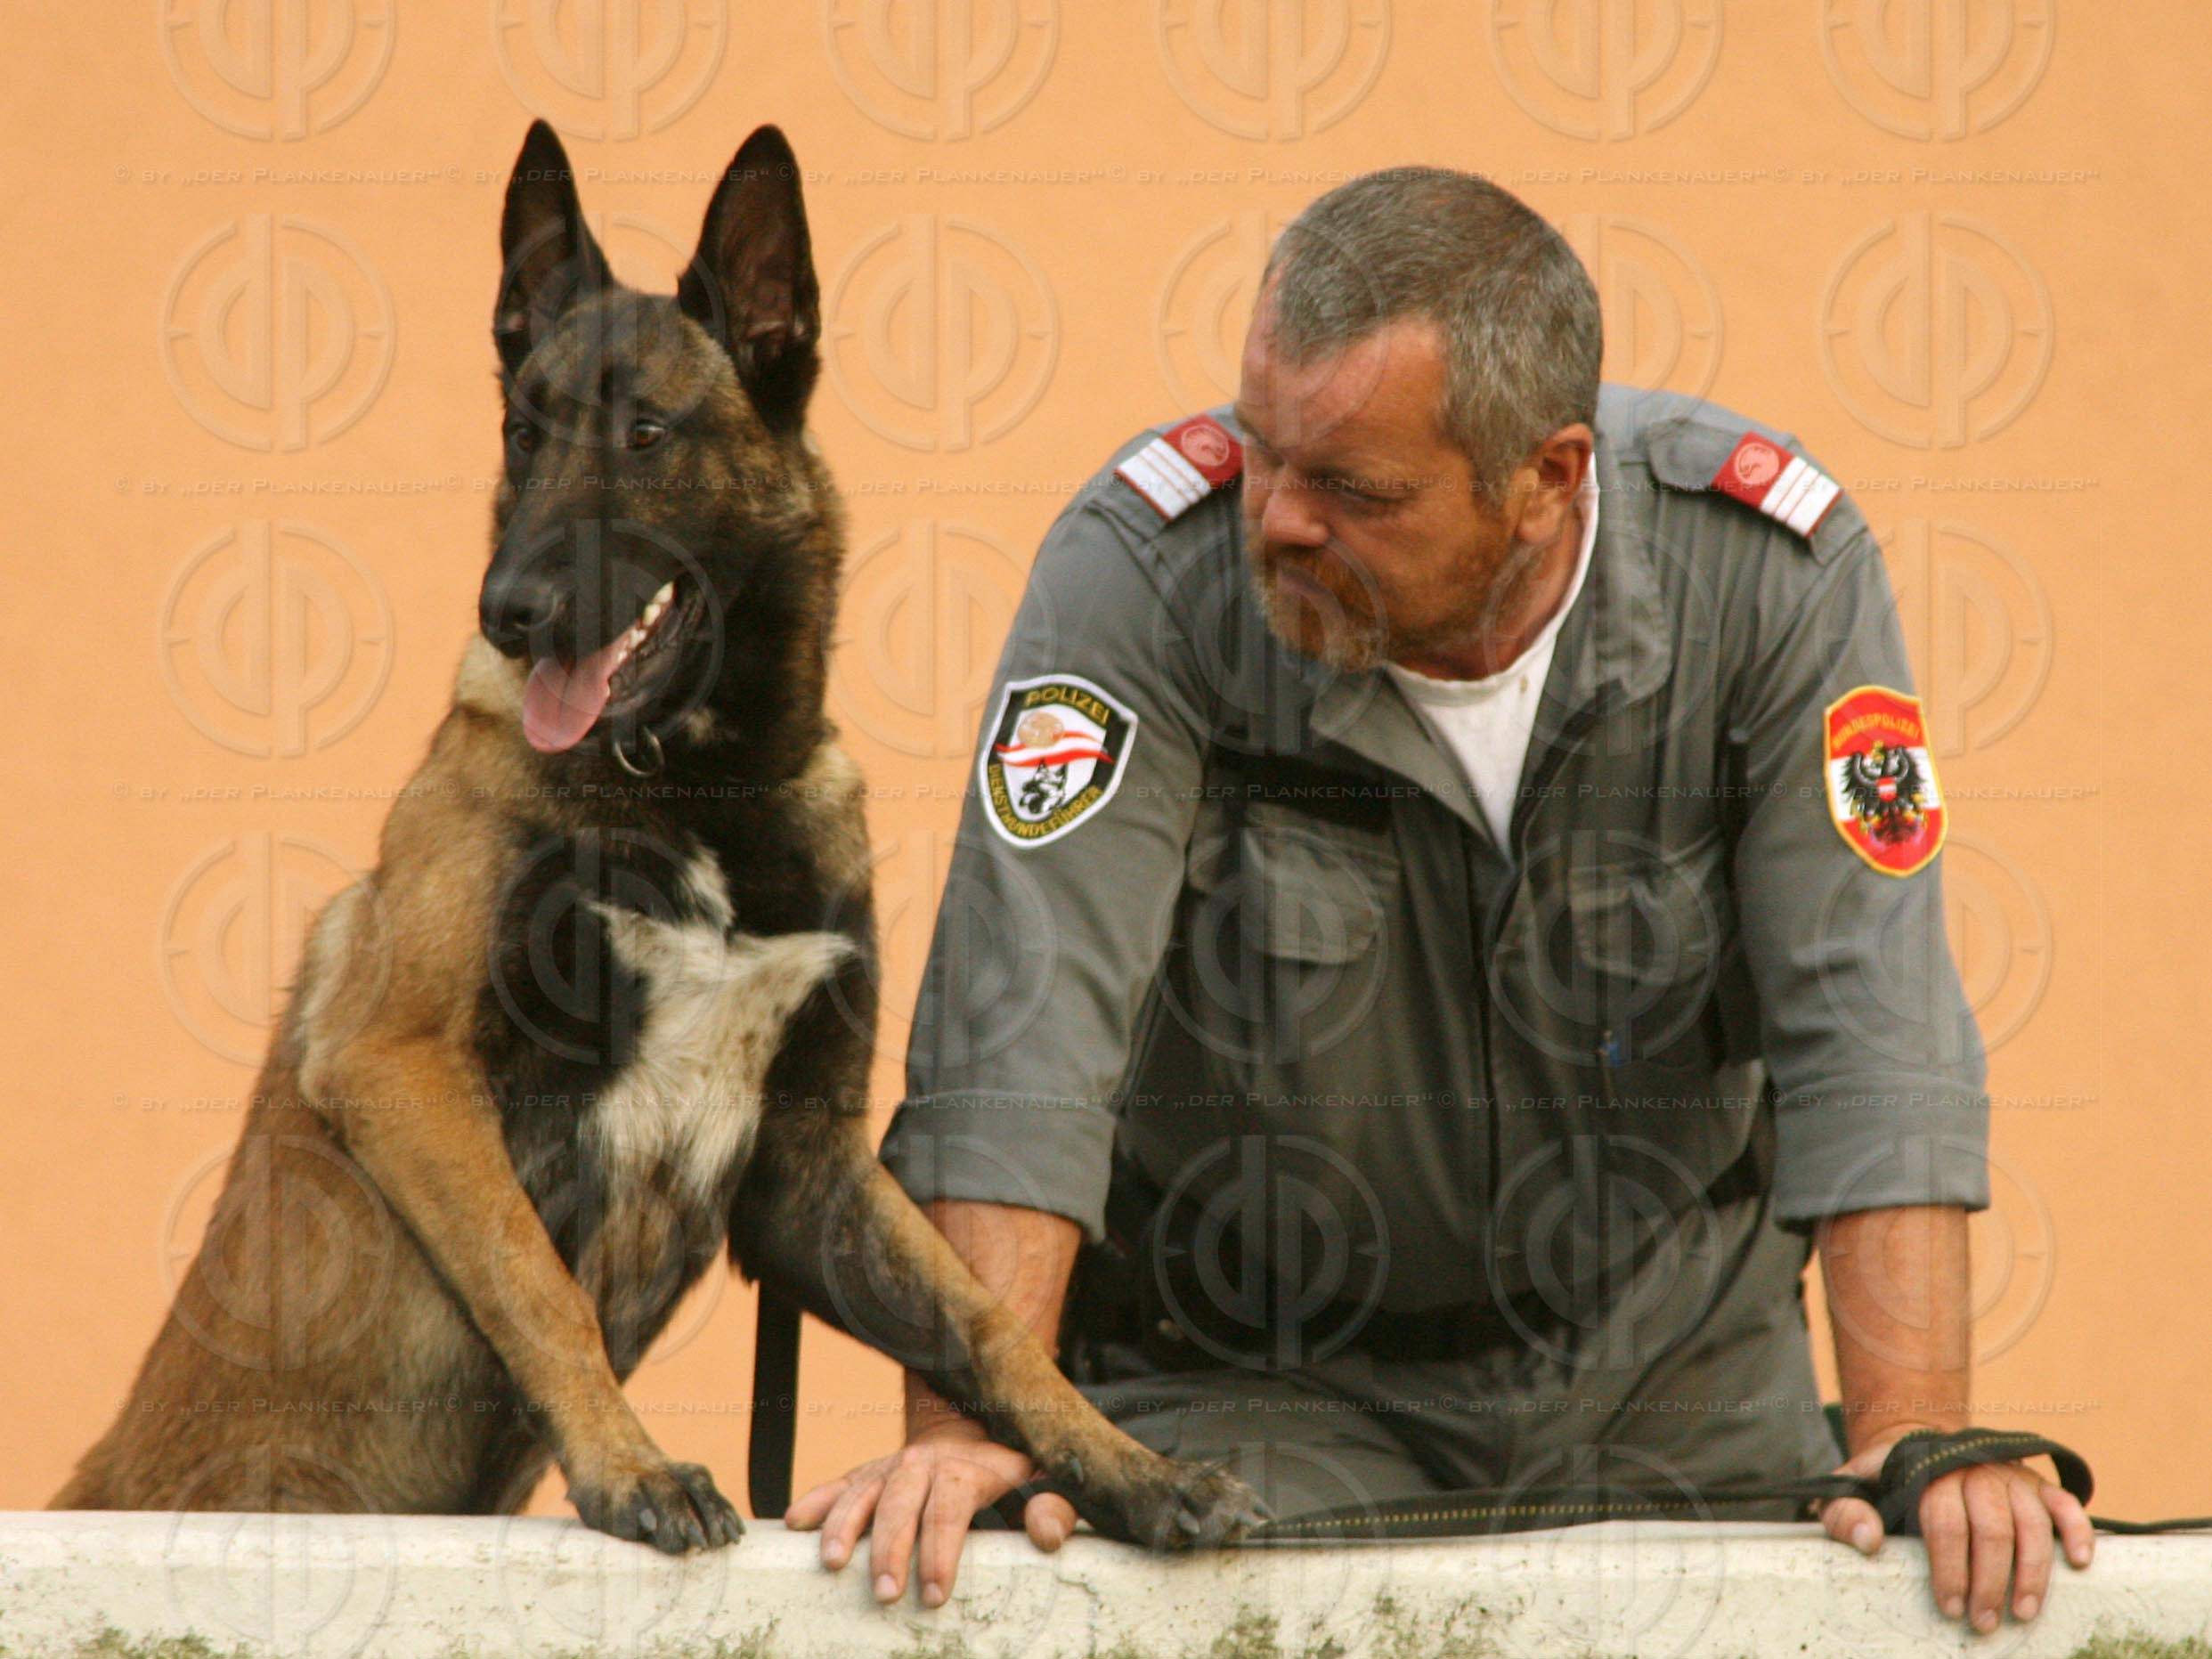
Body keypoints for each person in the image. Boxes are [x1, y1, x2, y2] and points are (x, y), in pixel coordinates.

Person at [785, 166, 2094, 1632]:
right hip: (1259, 1384)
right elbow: (1026, 1034)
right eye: (1263, 447)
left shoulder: (1769, 579)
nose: (1273, 518)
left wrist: (1916, 1445)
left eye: (1352, 487)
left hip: (1678, 1383)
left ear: (1548, 478)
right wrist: (973, 1434)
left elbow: (1874, 1025)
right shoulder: (1145, 574)